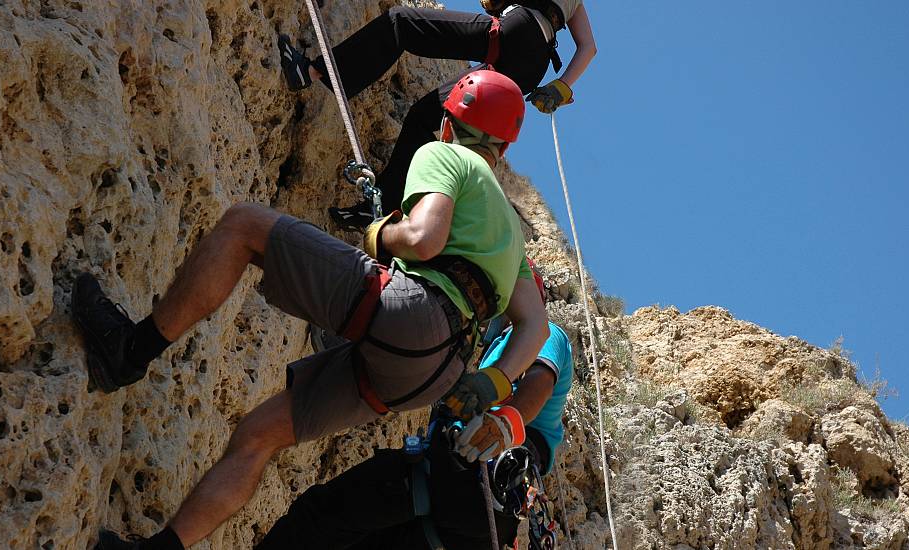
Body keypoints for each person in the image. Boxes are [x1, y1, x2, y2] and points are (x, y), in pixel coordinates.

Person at [82, 70, 549, 550]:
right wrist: (493, 381)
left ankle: (129, 351)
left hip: (413, 316)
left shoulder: (446, 155)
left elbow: (422, 239)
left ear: (449, 121)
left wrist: (380, 235)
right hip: (433, 373)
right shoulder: (514, 237)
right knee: (259, 435)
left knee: (243, 226)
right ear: (503, 148)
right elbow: (535, 325)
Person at [253, 276, 574, 550]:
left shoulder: (545, 332)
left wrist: (506, 422)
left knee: (320, 516)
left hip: (468, 476)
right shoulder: (493, 351)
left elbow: (540, 381)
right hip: (473, 509)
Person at [278, 0, 597, 229]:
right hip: (531, 67)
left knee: (400, 23)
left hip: (515, 31)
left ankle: (311, 72)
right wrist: (561, 86)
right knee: (424, 118)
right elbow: (588, 47)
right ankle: (382, 208)